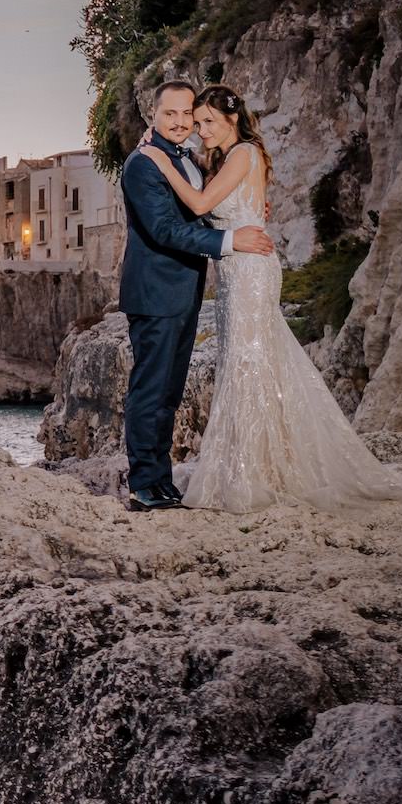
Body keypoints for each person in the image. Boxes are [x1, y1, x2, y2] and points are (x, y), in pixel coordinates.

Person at [135, 83, 402, 513]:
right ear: (155, 115)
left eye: (202, 119)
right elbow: (175, 223)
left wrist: (174, 168)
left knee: (246, 365)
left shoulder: (235, 155)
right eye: (191, 119)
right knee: (228, 370)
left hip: (246, 271)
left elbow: (198, 205)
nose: (194, 126)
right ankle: (179, 479)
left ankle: (252, 471)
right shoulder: (193, 160)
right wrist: (235, 221)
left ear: (232, 120)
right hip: (208, 277)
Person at [118, 80, 273, 511]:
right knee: (149, 390)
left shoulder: (185, 159)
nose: (182, 122)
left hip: (185, 291)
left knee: (169, 391)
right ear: (154, 113)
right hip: (154, 294)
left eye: (188, 114)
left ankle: (162, 480)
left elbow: (202, 208)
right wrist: (230, 239)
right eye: (171, 114)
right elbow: (164, 229)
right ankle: (143, 483)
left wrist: (243, 209)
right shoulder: (143, 164)